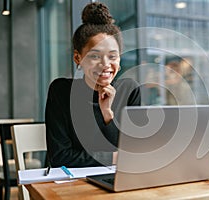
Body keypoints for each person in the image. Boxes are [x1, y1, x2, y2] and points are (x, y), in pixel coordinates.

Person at [45, 2, 141, 168]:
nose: (105, 64)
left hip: (118, 181)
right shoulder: (61, 91)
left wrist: (108, 114)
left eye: (112, 56)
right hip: (72, 184)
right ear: (78, 58)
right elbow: (60, 157)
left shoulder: (129, 90)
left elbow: (134, 152)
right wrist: (113, 158)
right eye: (95, 56)